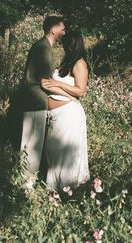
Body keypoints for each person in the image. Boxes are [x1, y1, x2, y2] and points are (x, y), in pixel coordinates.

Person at [20, 15, 72, 188]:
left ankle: (27, 184)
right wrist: (69, 96)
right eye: (62, 29)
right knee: (31, 146)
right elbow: (45, 82)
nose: (64, 33)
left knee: (32, 146)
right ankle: (26, 187)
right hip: (35, 101)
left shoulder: (42, 47)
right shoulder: (43, 48)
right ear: (53, 29)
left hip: (34, 101)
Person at [41, 30, 90, 191]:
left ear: (73, 44)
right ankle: (55, 189)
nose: (63, 47)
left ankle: (67, 191)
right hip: (56, 115)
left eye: (65, 44)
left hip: (69, 116)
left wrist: (58, 85)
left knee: (65, 153)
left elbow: (80, 91)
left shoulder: (79, 63)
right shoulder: (66, 62)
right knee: (54, 150)